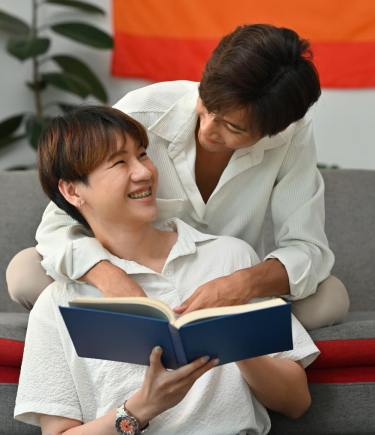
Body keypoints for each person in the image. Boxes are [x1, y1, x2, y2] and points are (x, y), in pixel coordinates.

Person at [6, 24, 349, 330]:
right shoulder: (141, 112)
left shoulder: (291, 136)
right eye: (208, 105)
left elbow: (307, 248)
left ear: (276, 130)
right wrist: (110, 279)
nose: (208, 130)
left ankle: (216, 331)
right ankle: (144, 326)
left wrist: (243, 284)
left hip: (228, 283)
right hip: (135, 282)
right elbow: (56, 227)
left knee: (330, 298)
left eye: (232, 127)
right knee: (25, 273)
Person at [14, 106, 319, 435]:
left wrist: (234, 341)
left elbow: (296, 402)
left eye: (143, 155)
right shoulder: (58, 304)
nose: (143, 172)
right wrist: (143, 406)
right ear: (73, 191)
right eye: (119, 162)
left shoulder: (231, 261)